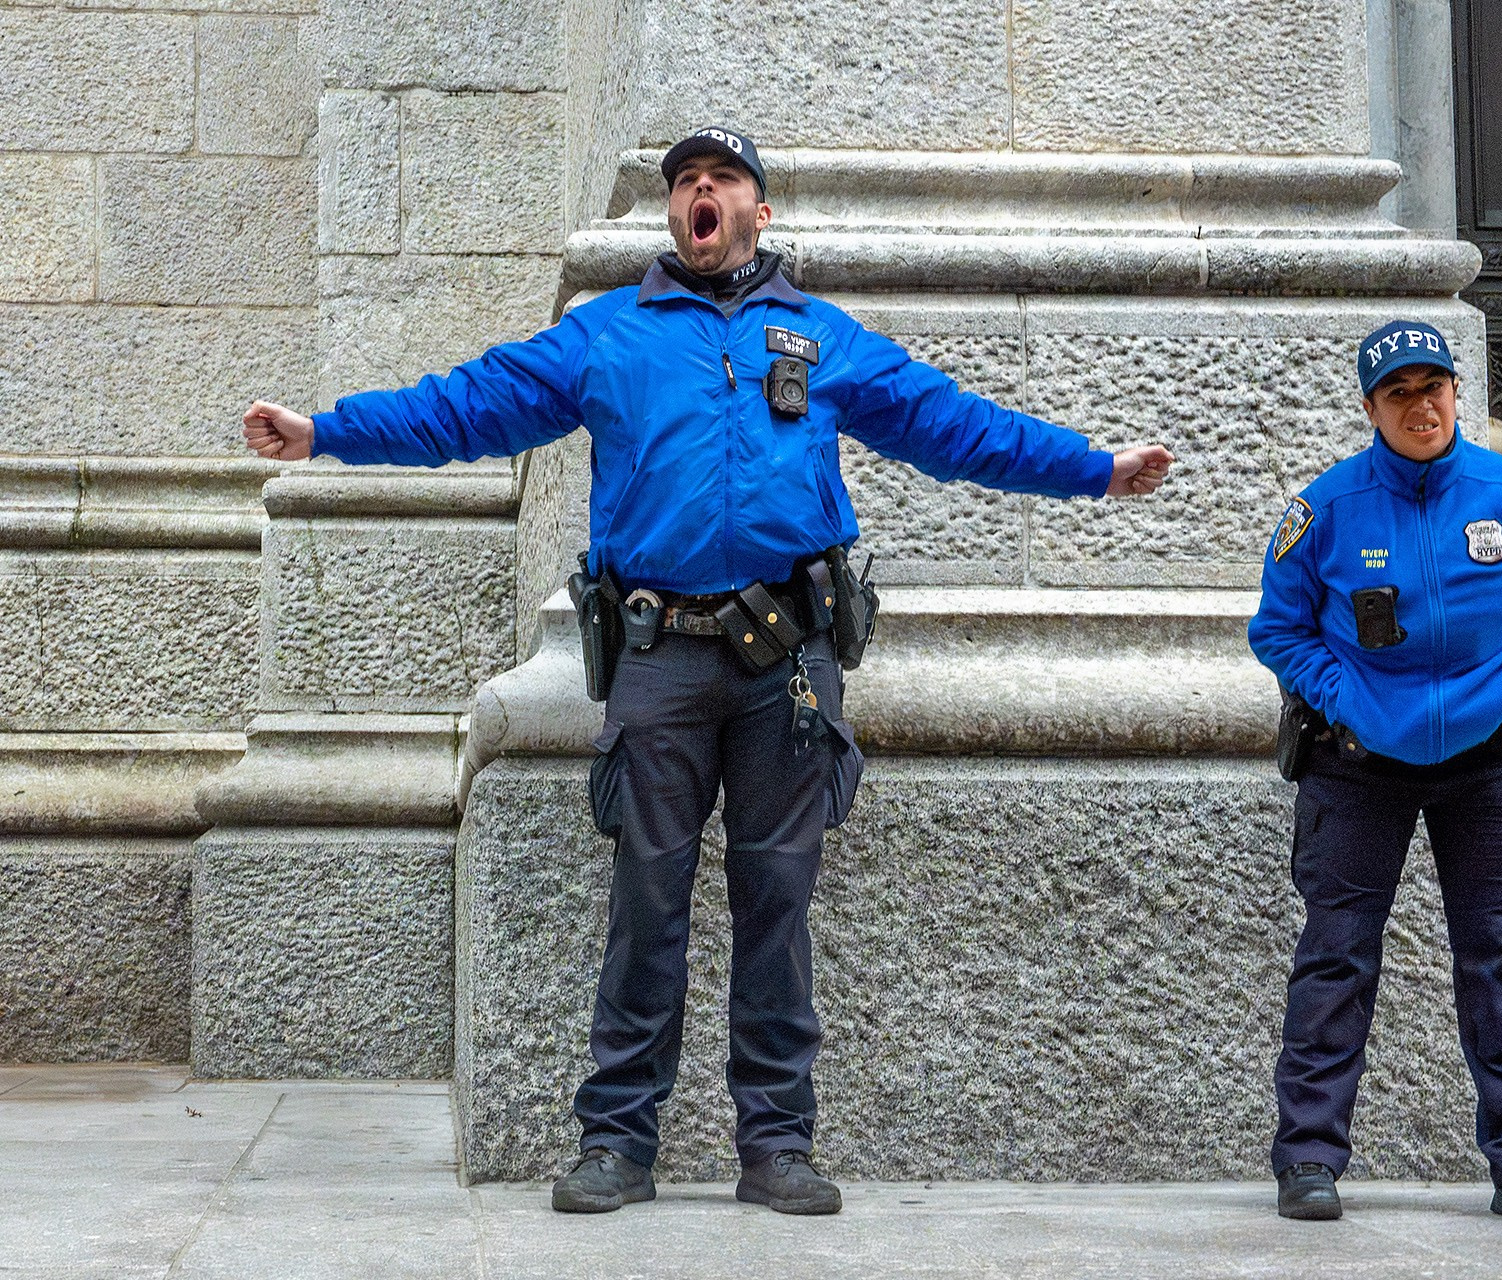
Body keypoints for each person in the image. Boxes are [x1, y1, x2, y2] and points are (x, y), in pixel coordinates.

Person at [241, 126, 1176, 1217]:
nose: (701, 193)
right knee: (648, 897)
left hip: (788, 663)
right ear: (672, 214)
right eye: (686, 182)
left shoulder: (821, 338)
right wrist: (326, 434)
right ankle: (616, 1140)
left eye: (722, 180)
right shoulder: (607, 335)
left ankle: (776, 1142)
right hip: (660, 660)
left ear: (758, 212)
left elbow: (953, 425)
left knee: (776, 903)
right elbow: (464, 403)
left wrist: (1092, 472)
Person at [1247, 320, 1502, 1224]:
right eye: (1399, 393)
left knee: (1499, 962)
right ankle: (1309, 1163)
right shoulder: (1323, 510)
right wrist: (1347, 699)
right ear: (1372, 409)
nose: (1422, 405)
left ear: (1455, 395)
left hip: (1494, 766)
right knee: (1335, 960)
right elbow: (1276, 631)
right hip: (1358, 767)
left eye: (1433, 387)